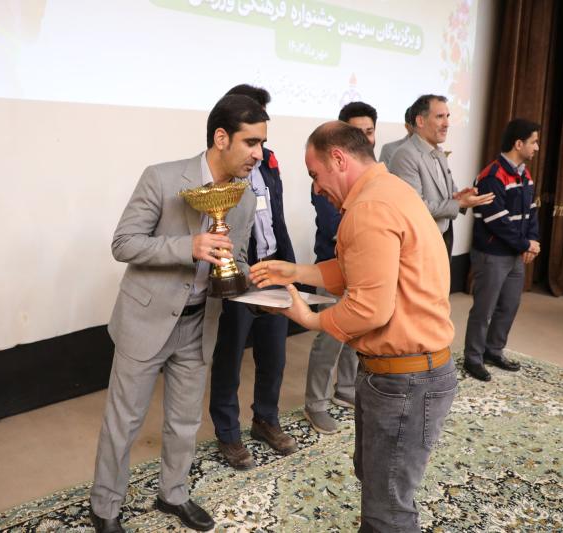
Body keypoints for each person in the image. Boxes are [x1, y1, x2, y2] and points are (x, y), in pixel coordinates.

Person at [250, 121, 457, 532]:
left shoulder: (368, 208)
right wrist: (297, 271)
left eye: (315, 174)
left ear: (339, 159)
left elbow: (369, 309)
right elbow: (361, 269)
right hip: (409, 373)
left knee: (388, 508)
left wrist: (309, 318)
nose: (316, 188)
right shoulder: (390, 190)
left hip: (405, 379)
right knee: (381, 488)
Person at [88, 94, 262, 533]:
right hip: (145, 322)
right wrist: (188, 247)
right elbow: (123, 243)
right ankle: (105, 507)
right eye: (252, 142)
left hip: (200, 322)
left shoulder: (243, 197)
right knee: (124, 422)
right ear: (221, 138)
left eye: (262, 143)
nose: (259, 154)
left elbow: (237, 258)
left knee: (185, 421)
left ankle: (174, 494)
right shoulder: (162, 178)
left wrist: (256, 279)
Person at [209, 84, 297, 470]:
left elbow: (276, 215)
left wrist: (289, 266)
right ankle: (228, 433)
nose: (259, 145)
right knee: (229, 357)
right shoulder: (221, 167)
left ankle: (266, 419)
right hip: (238, 274)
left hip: (272, 268)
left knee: (274, 354)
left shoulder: (270, 161)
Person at [303, 101, 379, 434]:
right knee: (331, 335)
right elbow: (333, 225)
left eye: (369, 132)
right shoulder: (325, 179)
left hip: (364, 265)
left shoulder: (376, 180)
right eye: (356, 132)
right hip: (331, 265)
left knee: (358, 330)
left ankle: (346, 388)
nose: (364, 138)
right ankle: (315, 404)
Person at [462, 119, 541, 381]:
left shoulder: (525, 174)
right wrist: (525, 244)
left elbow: (531, 211)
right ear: (519, 144)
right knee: (484, 310)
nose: (537, 147)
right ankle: (473, 358)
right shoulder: (492, 176)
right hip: (492, 255)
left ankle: (493, 351)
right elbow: (497, 221)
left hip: (514, 253)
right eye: (534, 142)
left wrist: (532, 240)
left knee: (509, 306)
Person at [389, 94, 494, 258]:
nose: (447, 124)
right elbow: (416, 208)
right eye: (439, 117)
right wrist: (459, 203)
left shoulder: (438, 152)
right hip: (419, 247)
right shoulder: (405, 155)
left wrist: (461, 197)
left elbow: (449, 195)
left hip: (442, 240)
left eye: (447, 116)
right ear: (420, 121)